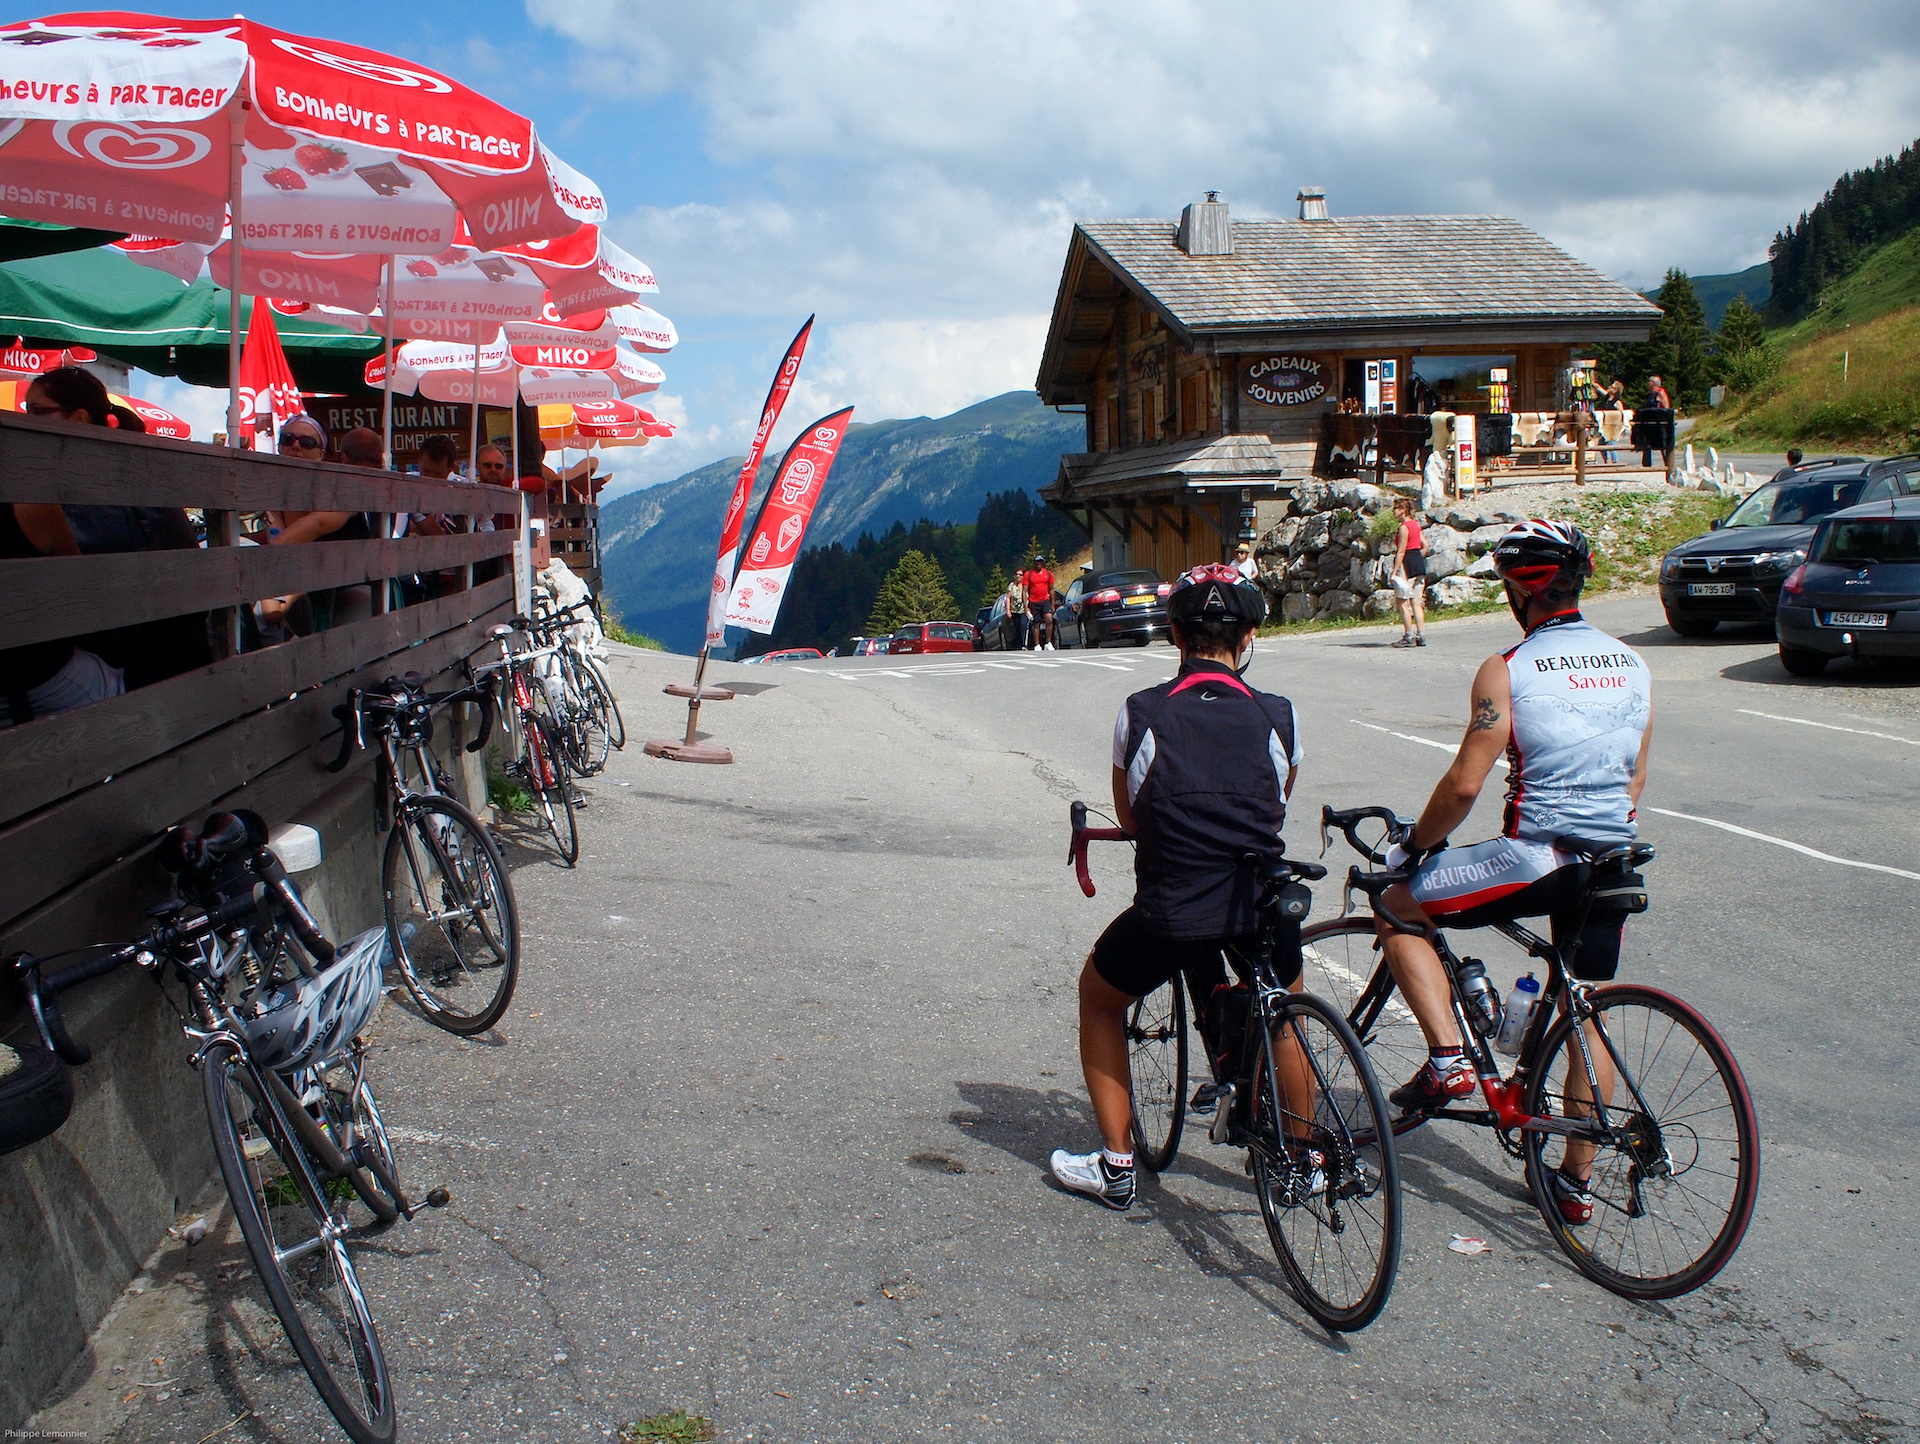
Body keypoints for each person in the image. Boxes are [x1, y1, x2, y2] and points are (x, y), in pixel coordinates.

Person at [1372, 519, 1652, 1226]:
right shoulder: (1631, 662)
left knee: (1399, 906)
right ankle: (1574, 1184)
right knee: (1588, 1008)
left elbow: (1466, 785)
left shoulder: (1508, 667)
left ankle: (1447, 1060)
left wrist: (1414, 845)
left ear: (1517, 589)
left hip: (1539, 856)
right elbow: (1633, 779)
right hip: (1611, 856)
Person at [1049, 563, 1309, 1210]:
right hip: (1263, 900)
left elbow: (1135, 818)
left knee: (1100, 997)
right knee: (1288, 1019)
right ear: (1248, 636)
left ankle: (1115, 1168)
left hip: (1176, 904)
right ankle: (1300, 1164)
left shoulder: (1142, 713)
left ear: (1173, 634)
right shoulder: (1280, 715)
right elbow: (1278, 801)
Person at [1389, 498, 1427, 648]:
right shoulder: (1416, 525)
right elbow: (1425, 545)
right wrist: (1418, 557)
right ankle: (1421, 635)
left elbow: (1401, 551)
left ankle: (1408, 635)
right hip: (1418, 562)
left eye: (1395, 508)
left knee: (1402, 602)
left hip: (1406, 564)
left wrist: (1394, 571)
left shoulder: (1404, 528)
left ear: (1402, 510)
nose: (1393, 511)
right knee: (1416, 602)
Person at [1020, 553, 1055, 651]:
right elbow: (1025, 590)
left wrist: (1052, 604)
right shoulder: (1028, 574)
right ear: (1034, 563)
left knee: (1049, 619)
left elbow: (1051, 589)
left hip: (1045, 600)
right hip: (1034, 601)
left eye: (1040, 562)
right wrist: (1026, 606)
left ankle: (1048, 642)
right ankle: (1037, 644)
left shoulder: (1047, 573)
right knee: (1036, 623)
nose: (1039, 563)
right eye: (1037, 562)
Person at [1004, 573, 1029, 651]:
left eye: (1020, 575)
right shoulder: (1012, 585)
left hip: (1023, 610)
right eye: (1017, 574)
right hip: (1014, 611)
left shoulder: (1026, 585)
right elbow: (1008, 598)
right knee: (1016, 627)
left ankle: (1024, 644)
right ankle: (1018, 645)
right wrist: (1008, 610)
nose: (1018, 576)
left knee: (1023, 625)